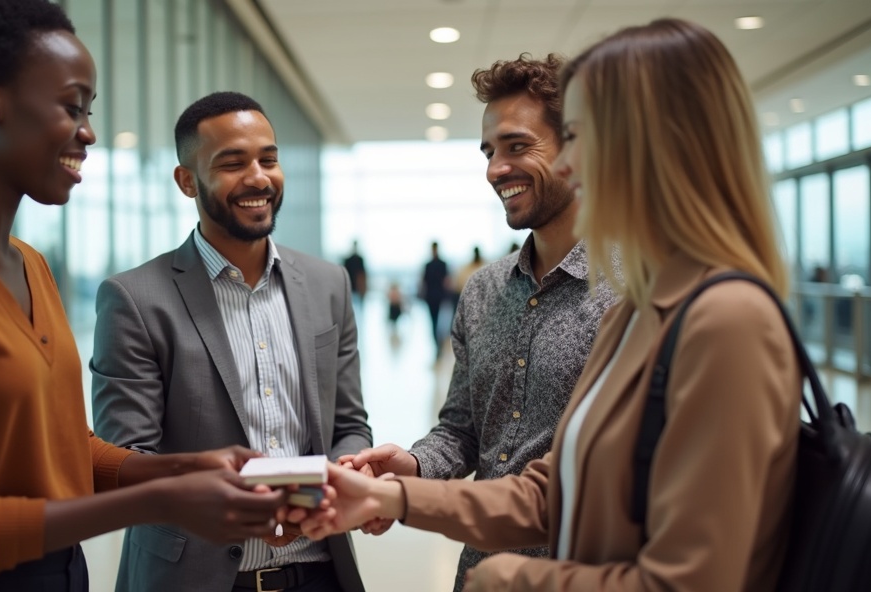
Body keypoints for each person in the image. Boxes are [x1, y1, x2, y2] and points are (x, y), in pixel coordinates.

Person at [305, 18, 800, 591]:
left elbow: (696, 578)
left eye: (582, 136)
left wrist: (510, 580)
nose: (566, 164)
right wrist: (392, 491)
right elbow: (556, 488)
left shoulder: (721, 316)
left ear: (650, 143)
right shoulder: (649, 302)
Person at [0, 2, 286, 589]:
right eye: (71, 107)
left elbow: (67, 450)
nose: (89, 132)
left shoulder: (30, 264)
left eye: (89, 111)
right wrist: (165, 503)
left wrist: (182, 468)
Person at [342, 53, 617, 591]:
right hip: (482, 574)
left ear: (576, 148)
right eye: (490, 152)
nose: (495, 170)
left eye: (518, 146)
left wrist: (405, 501)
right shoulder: (485, 291)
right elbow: (463, 429)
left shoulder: (639, 291)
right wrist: (414, 465)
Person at [91, 91, 371, 592]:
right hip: (193, 578)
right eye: (232, 163)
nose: (259, 177)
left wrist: (313, 501)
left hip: (319, 573)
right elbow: (127, 459)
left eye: (269, 158)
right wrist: (247, 506)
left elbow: (348, 426)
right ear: (186, 180)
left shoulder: (328, 284)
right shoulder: (134, 299)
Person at [419, 241, 451, 355]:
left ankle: (438, 342)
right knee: (434, 321)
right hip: (433, 297)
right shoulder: (433, 265)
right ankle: (437, 342)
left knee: (437, 321)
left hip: (437, 296)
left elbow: (446, 281)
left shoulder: (439, 264)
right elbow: (424, 282)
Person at [343, 239, 368, 310]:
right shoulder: (348, 260)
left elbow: (362, 274)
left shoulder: (359, 260)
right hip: (351, 286)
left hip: (356, 287)